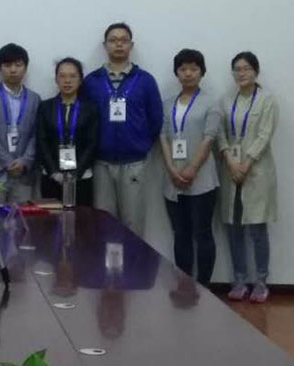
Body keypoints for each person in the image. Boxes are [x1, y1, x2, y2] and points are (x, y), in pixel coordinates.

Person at [82, 22, 162, 235]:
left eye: (124, 40)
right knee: (103, 224)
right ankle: (104, 260)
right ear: (105, 45)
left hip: (134, 163)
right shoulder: (91, 81)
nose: (119, 45)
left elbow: (156, 119)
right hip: (101, 163)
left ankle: (134, 260)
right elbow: (84, 121)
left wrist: (140, 145)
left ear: (131, 45)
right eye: (113, 40)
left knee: (133, 225)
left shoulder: (145, 81)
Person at [218, 51, 278, 303]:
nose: (241, 73)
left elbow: (265, 134)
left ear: (256, 71)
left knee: (257, 227)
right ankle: (240, 280)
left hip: (257, 171)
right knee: (234, 228)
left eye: (246, 69)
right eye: (237, 69)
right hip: (231, 169)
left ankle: (261, 281)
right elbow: (220, 133)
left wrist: (247, 163)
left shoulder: (267, 100)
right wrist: (230, 161)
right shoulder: (226, 100)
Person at [160, 49, 221, 286]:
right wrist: (171, 169)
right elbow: (162, 138)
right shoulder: (167, 104)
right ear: (176, 73)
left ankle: (204, 287)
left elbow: (209, 138)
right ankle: (184, 285)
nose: (188, 73)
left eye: (193, 69)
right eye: (183, 69)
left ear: (201, 72)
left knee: (202, 233)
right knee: (180, 234)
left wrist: (193, 168)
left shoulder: (211, 103)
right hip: (173, 179)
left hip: (202, 179)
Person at [0, 43, 41, 203]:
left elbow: (37, 134)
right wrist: (7, 161)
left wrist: (25, 161)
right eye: (7, 65)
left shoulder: (34, 99)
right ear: (0, 68)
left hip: (23, 173)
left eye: (18, 65)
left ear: (25, 68)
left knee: (22, 217)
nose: (13, 70)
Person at [36, 57, 98, 206]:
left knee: (81, 218)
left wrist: (76, 173)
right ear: (56, 80)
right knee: (52, 218)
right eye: (62, 76)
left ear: (80, 80)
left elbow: (92, 143)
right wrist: (53, 171)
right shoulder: (45, 107)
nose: (67, 81)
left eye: (72, 76)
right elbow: (41, 140)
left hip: (82, 177)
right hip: (51, 176)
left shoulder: (90, 108)